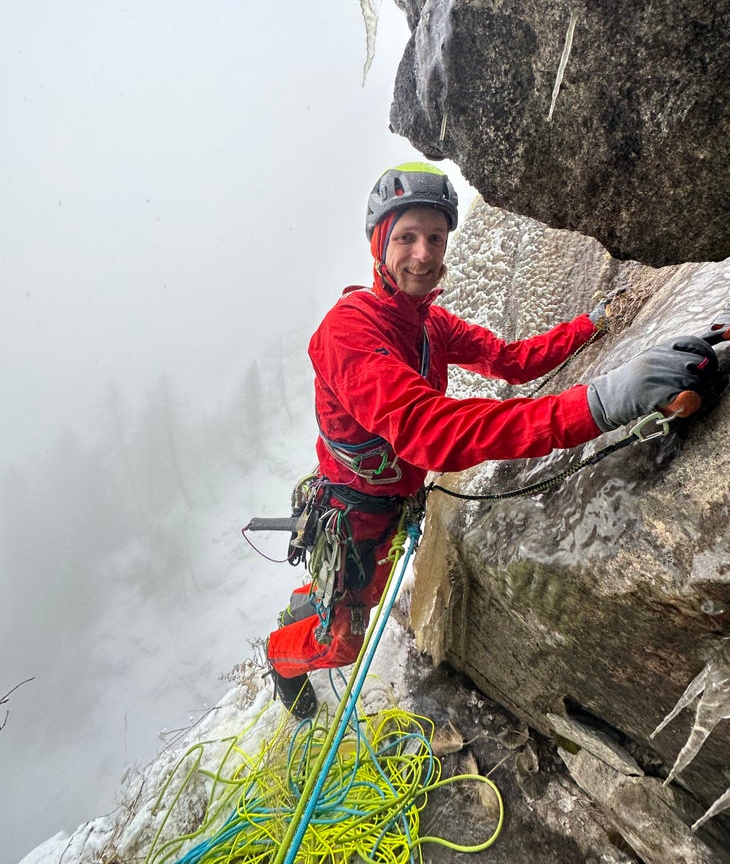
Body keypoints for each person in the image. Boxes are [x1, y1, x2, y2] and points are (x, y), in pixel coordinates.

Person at [265, 161, 718, 718]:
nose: (424, 255)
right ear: (380, 244)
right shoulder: (348, 333)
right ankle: (280, 656)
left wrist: (589, 325)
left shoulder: (428, 325)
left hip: (389, 504)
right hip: (355, 517)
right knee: (342, 643)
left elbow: (510, 362)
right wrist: (601, 402)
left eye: (435, 238)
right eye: (406, 238)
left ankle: (309, 604)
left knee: (371, 598)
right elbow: (432, 432)